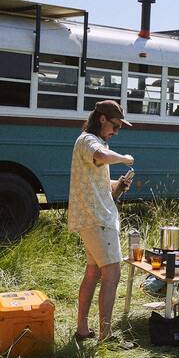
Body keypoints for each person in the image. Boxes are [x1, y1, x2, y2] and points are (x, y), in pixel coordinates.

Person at [68, 100, 134, 342]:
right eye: (115, 126)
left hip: (94, 217)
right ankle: (106, 334)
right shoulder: (88, 141)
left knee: (93, 273)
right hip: (97, 219)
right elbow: (101, 155)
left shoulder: (94, 142)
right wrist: (125, 158)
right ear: (103, 119)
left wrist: (118, 185)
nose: (116, 132)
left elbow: (99, 186)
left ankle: (83, 330)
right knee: (112, 274)